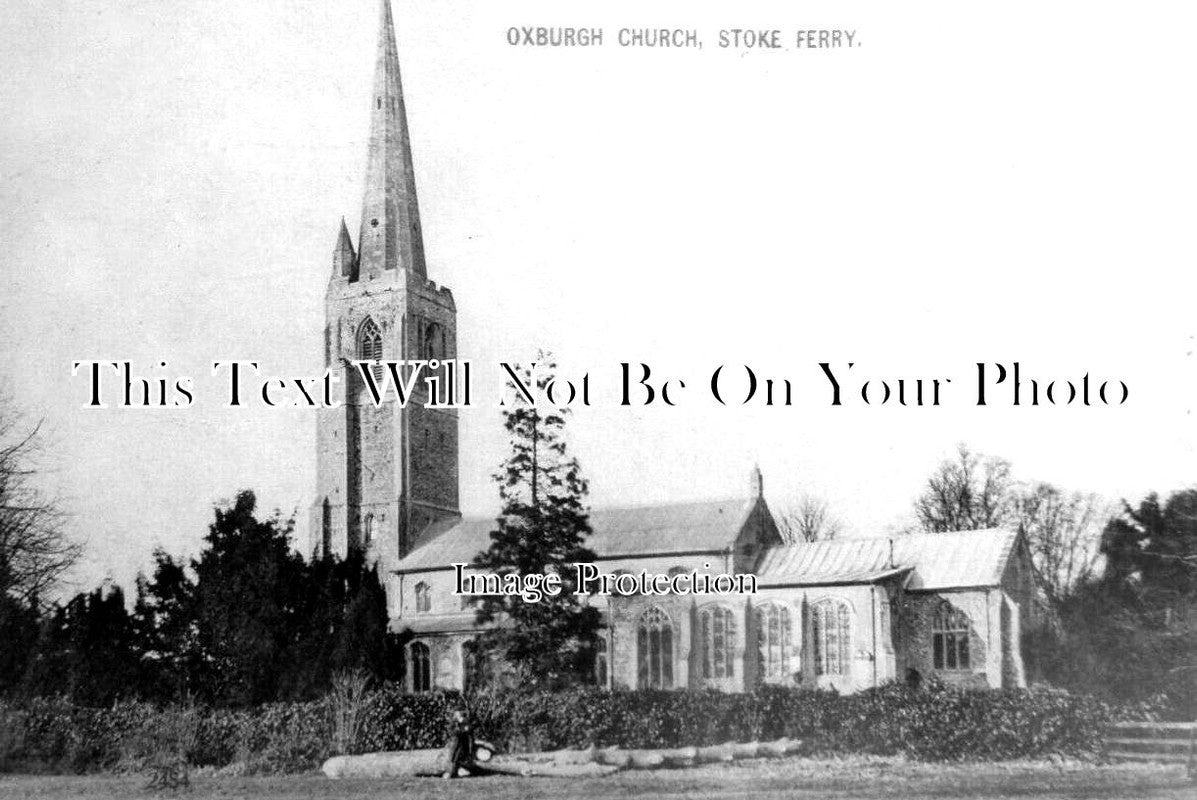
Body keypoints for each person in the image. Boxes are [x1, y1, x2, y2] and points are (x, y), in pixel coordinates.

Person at [443, 705, 475, 779]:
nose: (458, 715)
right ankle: (450, 771)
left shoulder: (465, 721)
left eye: (459, 713)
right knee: (454, 755)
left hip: (463, 741)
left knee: (462, 754)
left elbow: (469, 728)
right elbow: (451, 731)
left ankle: (460, 769)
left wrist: (465, 729)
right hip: (456, 741)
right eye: (456, 713)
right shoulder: (453, 722)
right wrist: (459, 730)